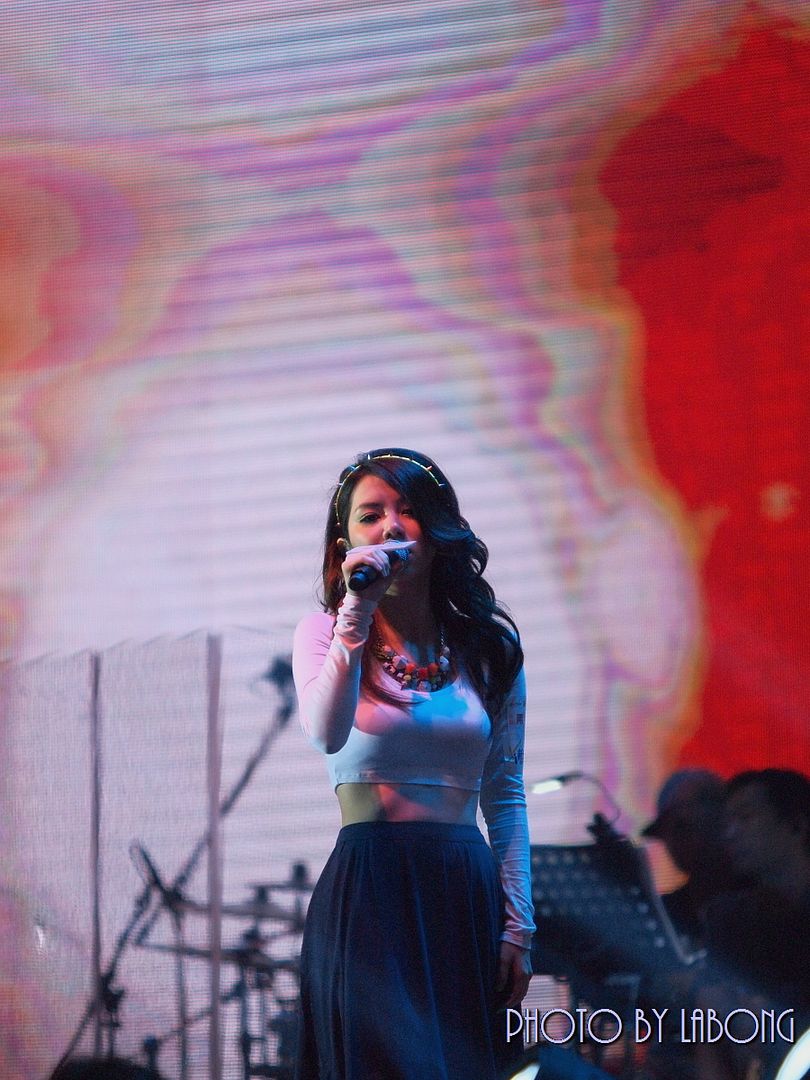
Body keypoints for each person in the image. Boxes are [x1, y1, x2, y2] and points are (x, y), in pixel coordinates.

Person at [292, 448, 534, 1080]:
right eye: (370, 515)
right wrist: (356, 612)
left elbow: (505, 794)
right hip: (370, 884)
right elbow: (326, 733)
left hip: (461, 885)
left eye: (408, 511)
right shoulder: (323, 633)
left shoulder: (490, 647)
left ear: (438, 529)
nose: (391, 528)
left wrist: (518, 925)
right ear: (345, 543)